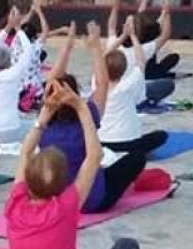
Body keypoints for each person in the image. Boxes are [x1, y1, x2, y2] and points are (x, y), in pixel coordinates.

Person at [4, 80, 185, 249]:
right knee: (126, 247)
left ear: (28, 178)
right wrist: (81, 107)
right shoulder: (66, 205)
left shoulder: (14, 204)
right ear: (64, 183)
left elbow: (26, 153)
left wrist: (43, 118)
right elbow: (94, 155)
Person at [41, 23, 147, 214]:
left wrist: (67, 46)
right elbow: (102, 84)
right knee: (137, 158)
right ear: (75, 94)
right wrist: (95, 45)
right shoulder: (87, 115)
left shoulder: (43, 123)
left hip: (58, 199)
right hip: (93, 200)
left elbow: (52, 82)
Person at [0, 8, 55, 143]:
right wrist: (17, 27)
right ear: (8, 60)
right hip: (9, 132)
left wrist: (9, 26)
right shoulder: (13, 74)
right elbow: (28, 51)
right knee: (39, 126)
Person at [97, 16, 168, 156]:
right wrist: (133, 36)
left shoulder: (97, 83)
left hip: (101, 142)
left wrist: (123, 35)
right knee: (161, 135)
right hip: (128, 143)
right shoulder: (128, 85)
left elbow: (103, 58)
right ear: (124, 69)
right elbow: (141, 62)